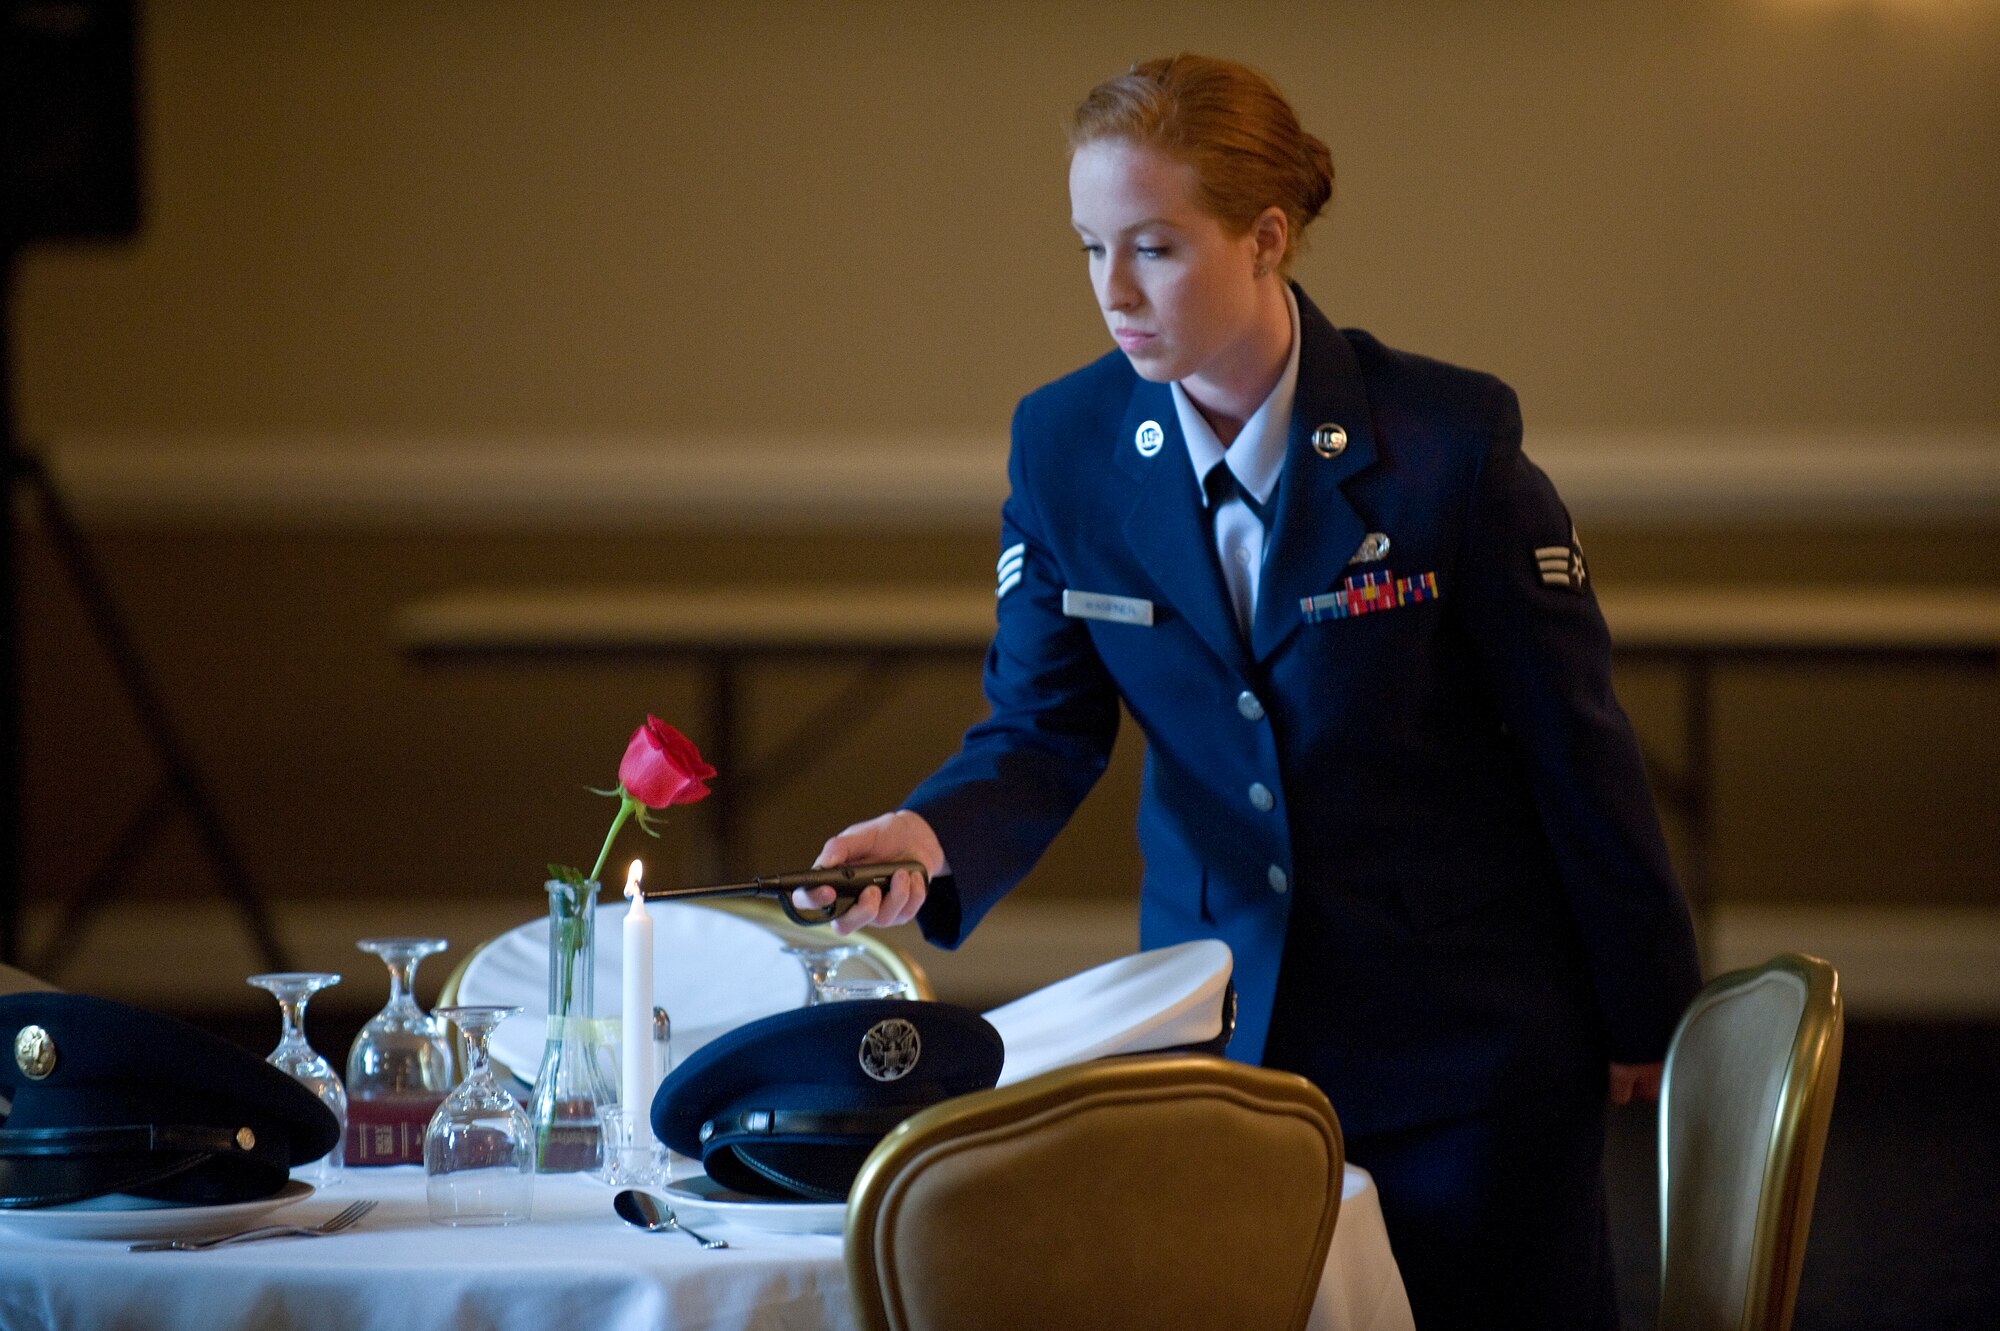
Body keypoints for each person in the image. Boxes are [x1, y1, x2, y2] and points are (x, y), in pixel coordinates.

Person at [798, 54, 1700, 1329]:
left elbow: (1576, 744)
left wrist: (1646, 1006)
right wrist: (930, 835)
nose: (1112, 290)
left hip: (1464, 1049)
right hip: (1219, 1052)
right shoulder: (1066, 447)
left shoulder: (1445, 445)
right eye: (1088, 247)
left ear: (1264, 237)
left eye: (1153, 248)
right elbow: (1039, 729)